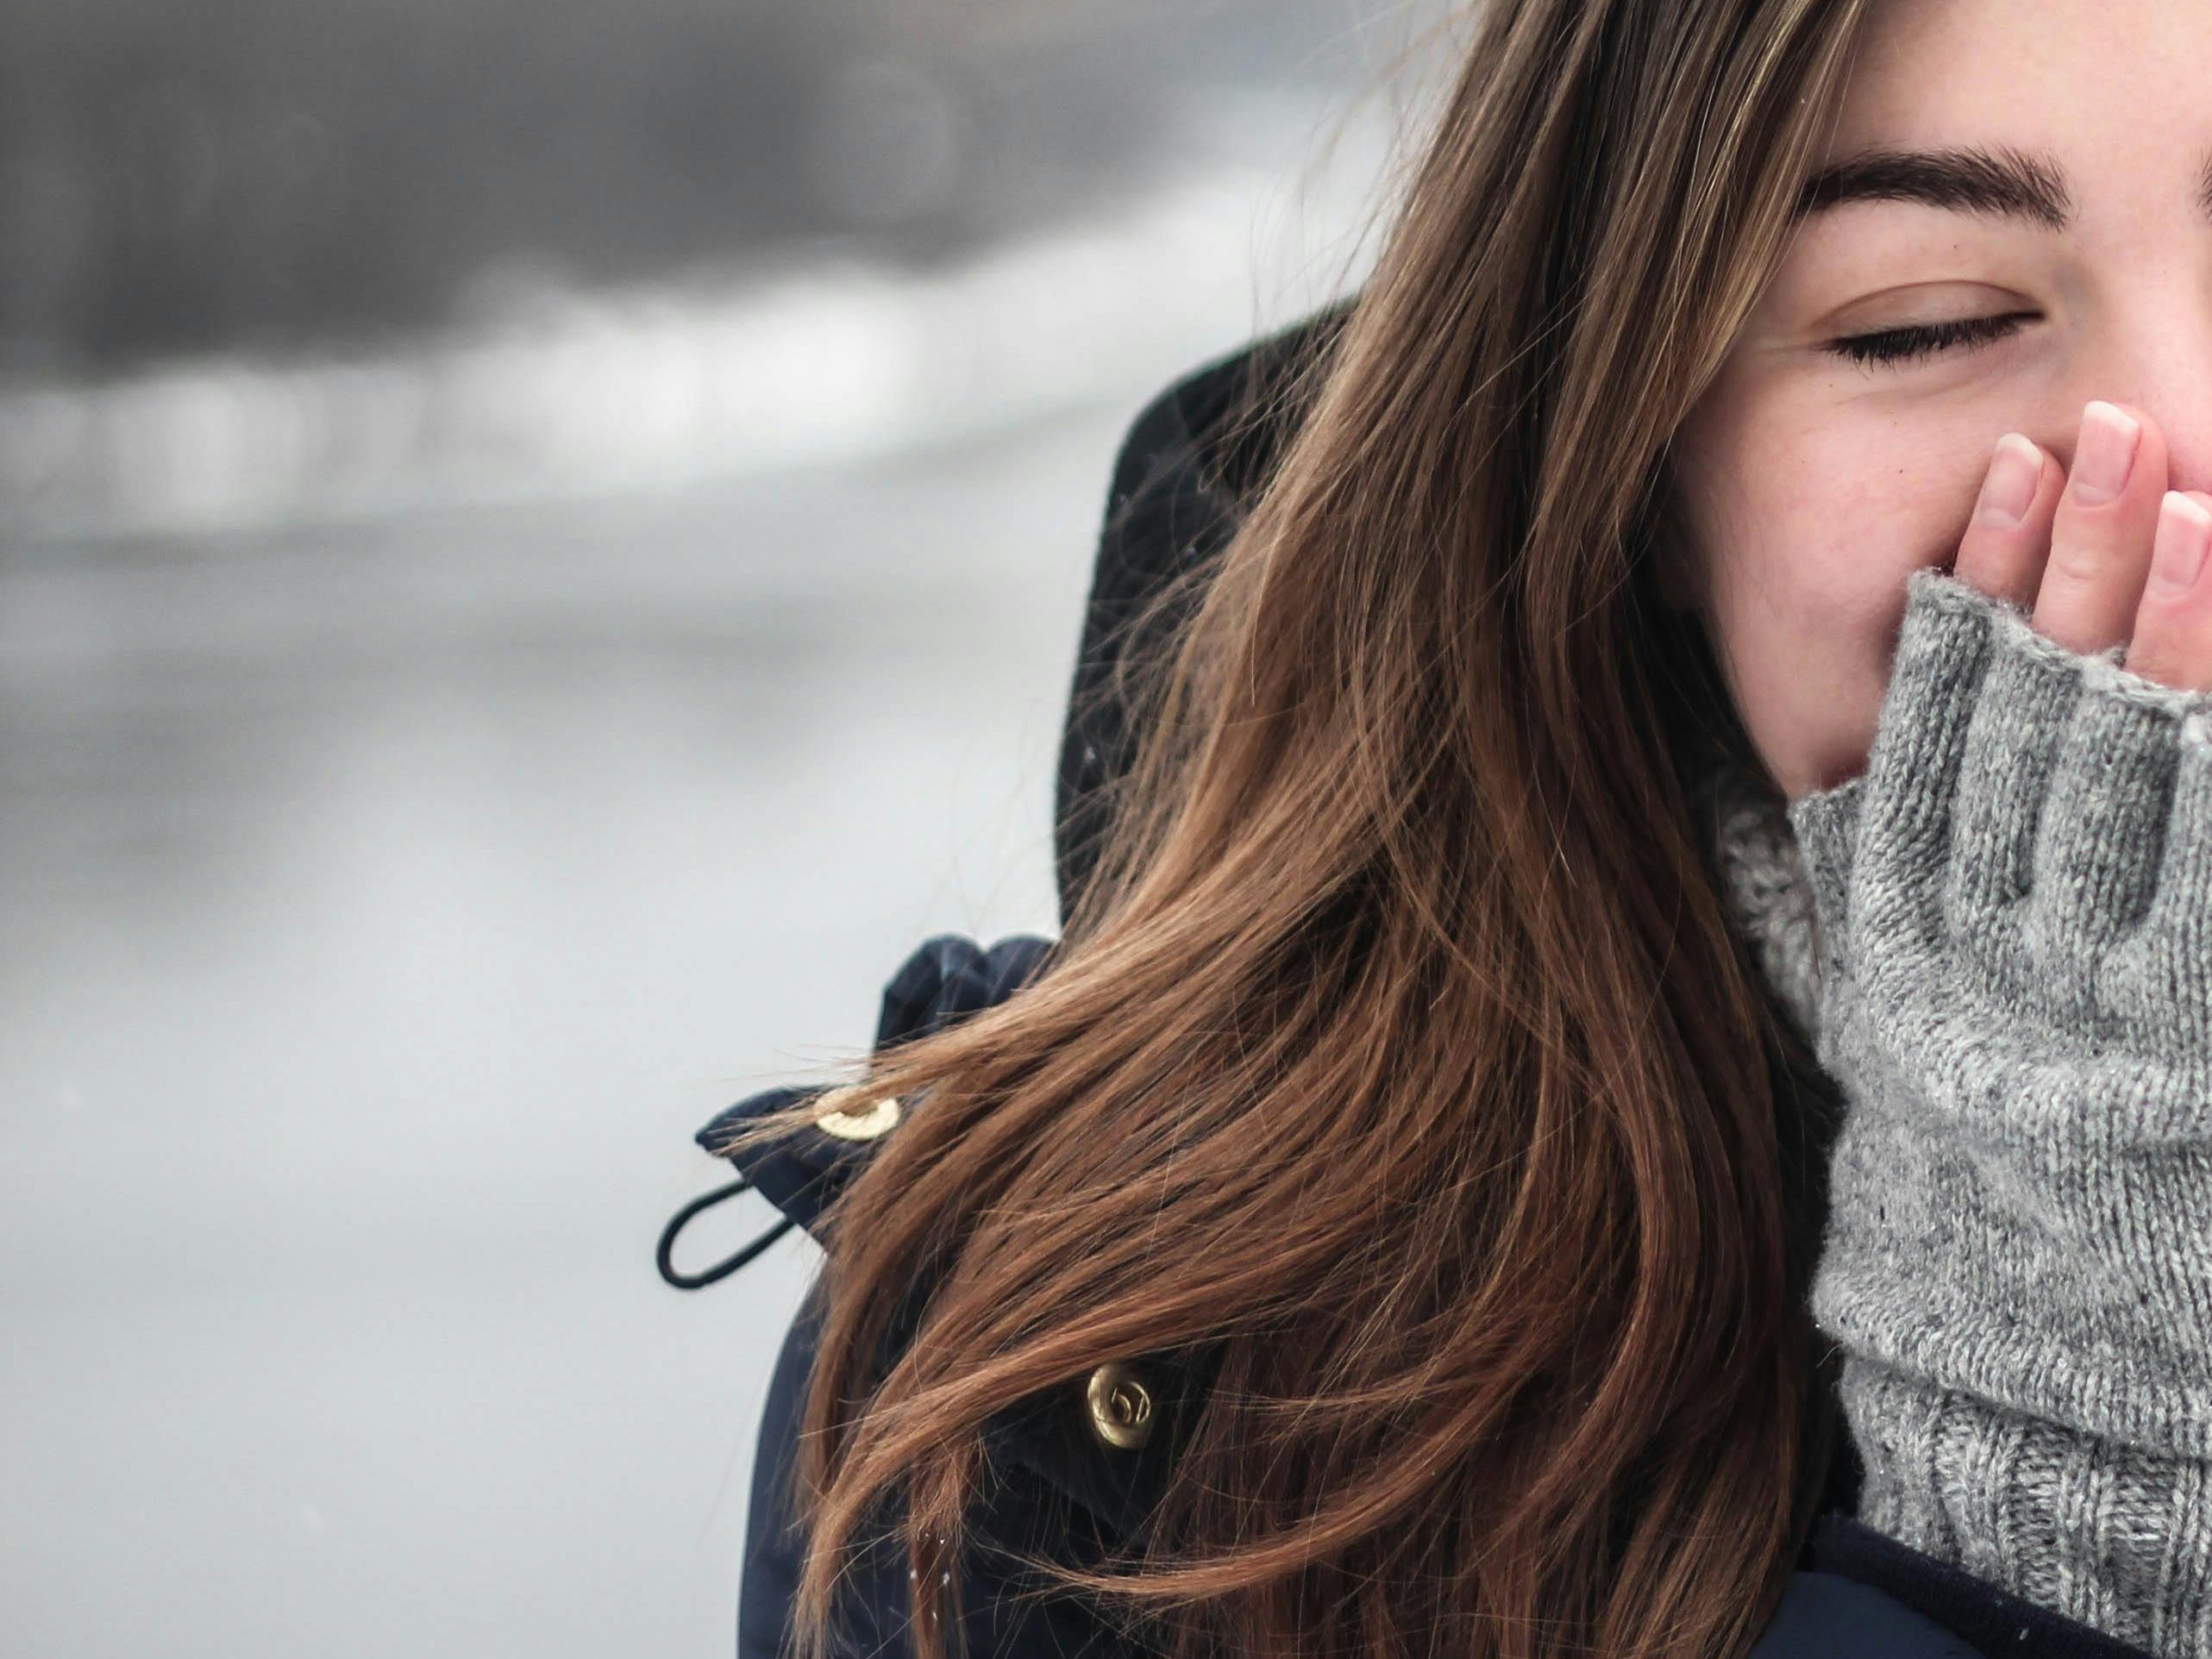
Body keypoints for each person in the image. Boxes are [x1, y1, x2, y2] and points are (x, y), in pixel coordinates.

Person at [661, 1, 2212, 1654]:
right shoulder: (1080, 1394)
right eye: (1922, 323)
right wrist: (2058, 1469)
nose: (2179, 462)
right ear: (1642, 462)